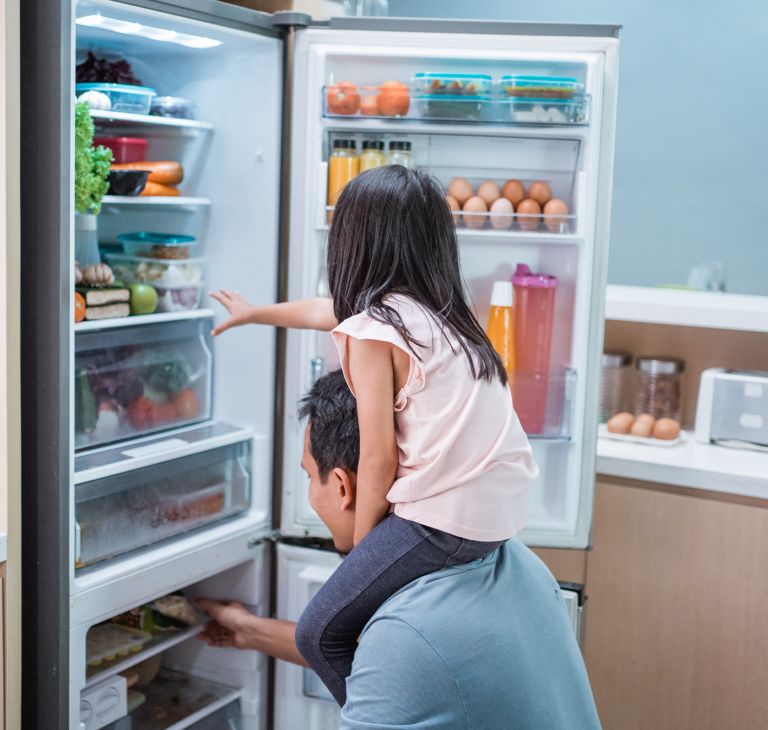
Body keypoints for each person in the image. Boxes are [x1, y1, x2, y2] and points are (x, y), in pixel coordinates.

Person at [210, 166, 539, 704]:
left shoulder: (374, 332)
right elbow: (324, 311)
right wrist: (254, 314)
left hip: (444, 520)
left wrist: (359, 552)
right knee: (358, 615)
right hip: (497, 516)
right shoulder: (437, 316)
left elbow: (380, 458)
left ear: (351, 244)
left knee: (322, 632)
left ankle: (378, 716)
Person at [198, 371, 601, 729]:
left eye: (308, 476)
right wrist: (248, 630)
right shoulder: (514, 560)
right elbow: (391, 660)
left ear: (341, 486)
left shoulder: (405, 637)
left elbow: (394, 657)